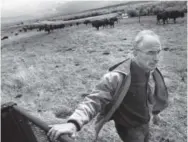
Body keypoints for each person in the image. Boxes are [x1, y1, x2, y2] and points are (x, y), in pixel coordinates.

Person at [47, 30, 168, 142]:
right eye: (151, 53)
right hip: (129, 129)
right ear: (135, 52)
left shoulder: (151, 70)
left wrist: (156, 113)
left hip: (146, 122)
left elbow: (153, 94)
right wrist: (73, 124)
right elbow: (93, 100)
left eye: (158, 52)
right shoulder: (117, 77)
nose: (156, 58)